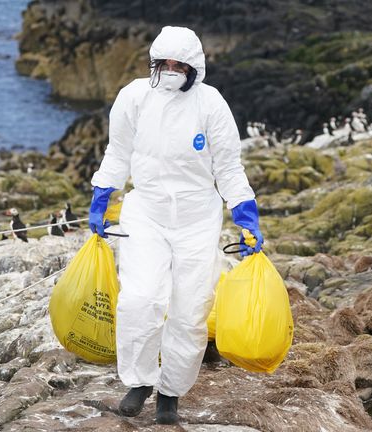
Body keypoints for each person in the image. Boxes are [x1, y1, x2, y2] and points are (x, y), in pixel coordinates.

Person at [87, 26, 263, 425]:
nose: (169, 70)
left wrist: (246, 216)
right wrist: (101, 197)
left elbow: (229, 167)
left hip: (197, 217)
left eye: (178, 64)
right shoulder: (133, 97)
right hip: (145, 211)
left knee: (189, 311)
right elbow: (117, 151)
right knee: (140, 300)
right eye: (162, 63)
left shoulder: (211, 104)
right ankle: (139, 381)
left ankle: (170, 392)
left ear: (193, 67)